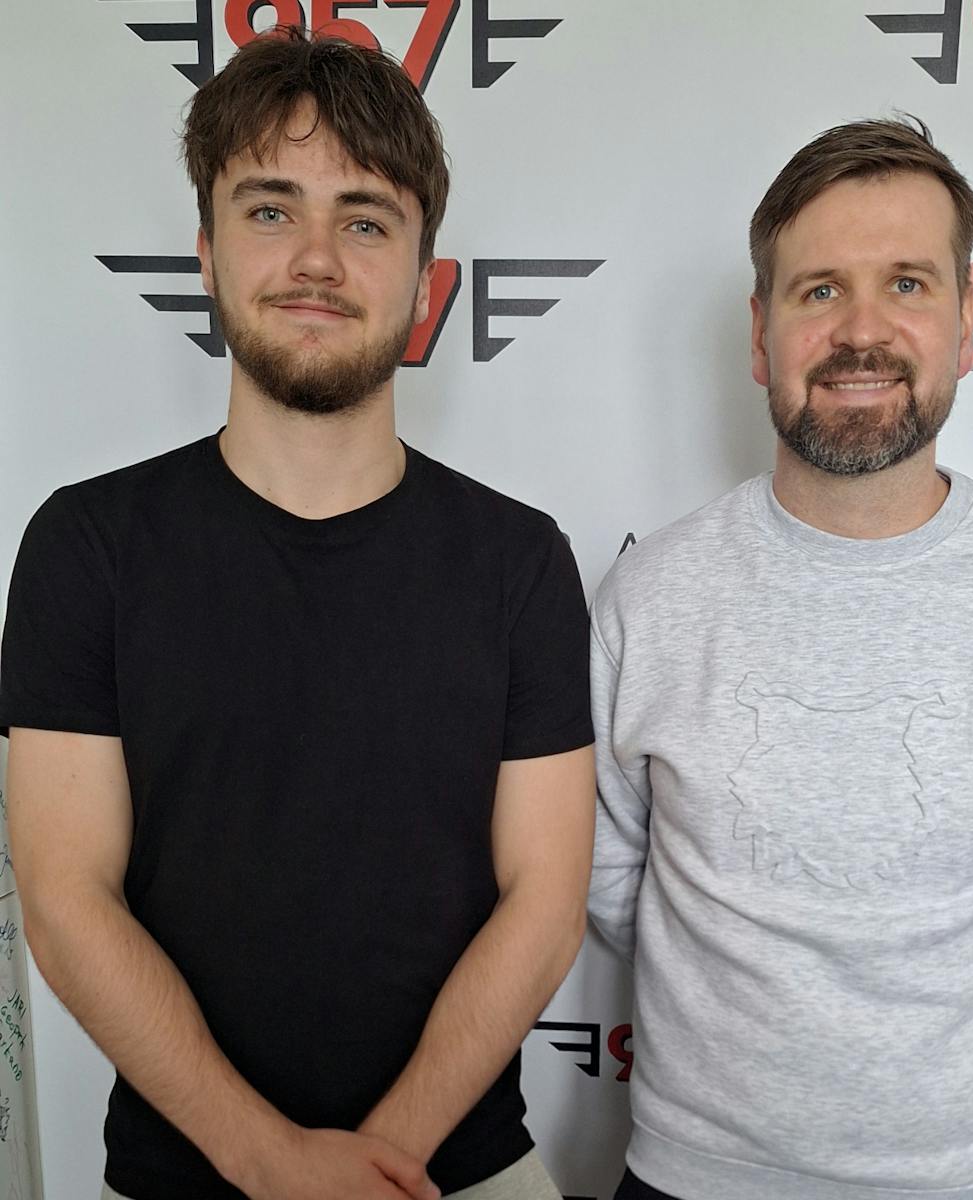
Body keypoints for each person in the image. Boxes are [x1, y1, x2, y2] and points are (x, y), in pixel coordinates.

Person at [0, 28, 595, 1200]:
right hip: (186, 1170)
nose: (316, 259)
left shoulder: (519, 561)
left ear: (424, 282)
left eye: (365, 221)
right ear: (208, 253)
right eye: (271, 210)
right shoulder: (85, 545)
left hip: (459, 1171)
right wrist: (270, 1161)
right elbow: (65, 900)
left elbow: (545, 903)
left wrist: (379, 1167)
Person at [587, 118, 973, 1200]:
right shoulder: (651, 595)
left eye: (907, 284)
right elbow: (604, 865)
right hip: (685, 1174)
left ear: (967, 321)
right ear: (761, 335)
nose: (861, 332)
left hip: (956, 1181)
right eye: (819, 290)